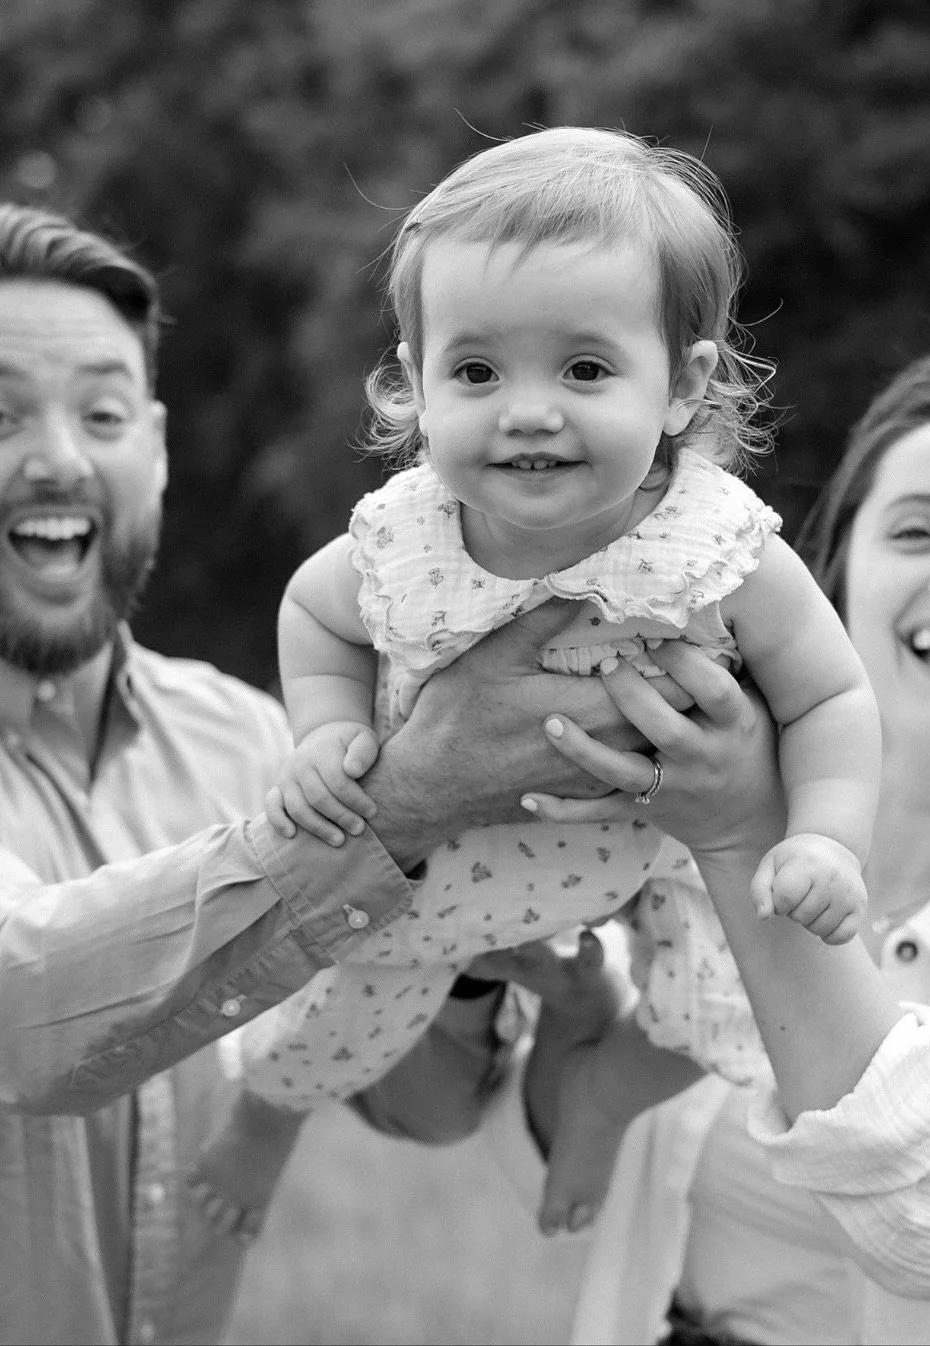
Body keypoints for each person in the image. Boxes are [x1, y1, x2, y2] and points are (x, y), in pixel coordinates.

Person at [189, 126, 881, 1239]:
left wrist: (828, 837)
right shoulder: (407, 535)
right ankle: (269, 1117)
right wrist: (322, 731)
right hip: (438, 863)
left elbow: (832, 697)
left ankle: (598, 1090)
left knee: (731, 996)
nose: (527, 409)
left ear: (681, 384)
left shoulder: (718, 546)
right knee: (340, 1006)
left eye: (585, 368)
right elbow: (315, 615)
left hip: (650, 850)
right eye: (476, 370)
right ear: (417, 385)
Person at [0, 201, 660, 1346]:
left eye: (101, 411)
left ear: (154, 446)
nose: (58, 456)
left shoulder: (251, 737)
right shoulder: (339, 753)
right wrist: (406, 806)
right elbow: (27, 1020)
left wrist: (462, 949)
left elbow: (420, 1106)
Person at [491, 340, 930, 1345]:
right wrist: (584, 1027)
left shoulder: (722, 804)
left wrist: (747, 829)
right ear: (837, 583)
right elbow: (571, 1161)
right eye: (916, 530)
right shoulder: (672, 801)